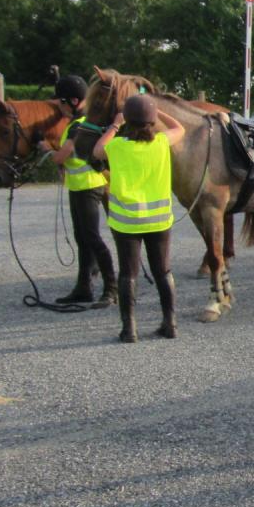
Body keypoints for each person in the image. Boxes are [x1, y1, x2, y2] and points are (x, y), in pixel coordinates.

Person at [92, 95, 186, 342]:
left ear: (128, 122)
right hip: (159, 220)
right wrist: (160, 112)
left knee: (128, 274)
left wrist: (114, 124)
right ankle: (170, 324)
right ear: (151, 121)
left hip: (126, 222)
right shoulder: (161, 143)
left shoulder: (118, 146)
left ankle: (129, 329)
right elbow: (180, 128)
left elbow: (96, 150)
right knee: (163, 272)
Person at [43, 75, 116, 307]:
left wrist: (45, 149)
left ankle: (112, 288)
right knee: (82, 238)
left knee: (92, 238)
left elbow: (61, 156)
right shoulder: (80, 122)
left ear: (73, 101)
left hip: (88, 187)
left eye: (61, 103)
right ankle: (84, 287)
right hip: (79, 187)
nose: (60, 108)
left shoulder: (79, 124)